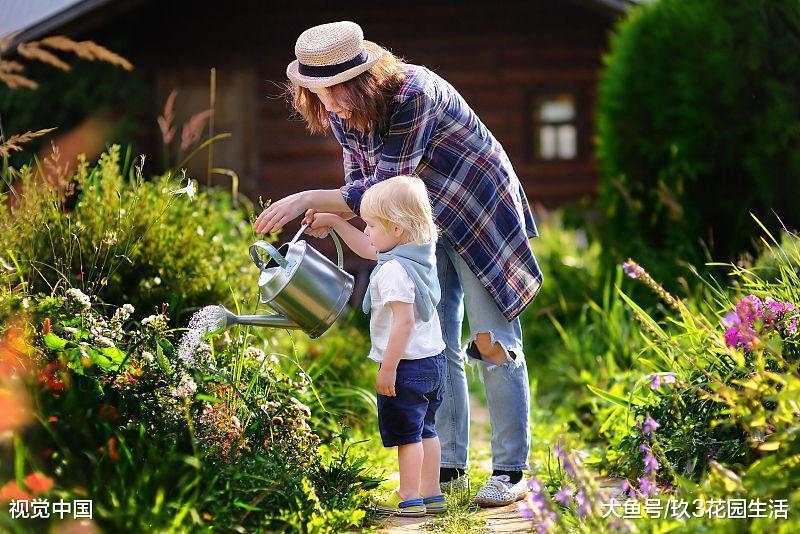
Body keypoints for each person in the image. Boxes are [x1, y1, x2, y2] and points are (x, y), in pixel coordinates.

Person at [254, 20, 543, 507]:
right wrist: (335, 217)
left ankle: (511, 470)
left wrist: (305, 196)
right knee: (436, 341)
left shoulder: (415, 94)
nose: (330, 103)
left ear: (363, 78)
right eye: (318, 93)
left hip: (475, 208)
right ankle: (447, 468)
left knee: (492, 340)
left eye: (337, 90)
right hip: (418, 224)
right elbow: (367, 201)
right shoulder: (345, 115)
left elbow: (384, 187)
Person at [305, 175, 447, 516]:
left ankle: (410, 497)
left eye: (371, 224)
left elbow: (404, 322)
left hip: (405, 366)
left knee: (407, 436)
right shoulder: (417, 251)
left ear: (396, 229)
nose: (366, 230)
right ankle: (432, 492)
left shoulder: (393, 271)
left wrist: (388, 367)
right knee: (427, 429)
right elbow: (371, 248)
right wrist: (336, 221)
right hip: (433, 361)